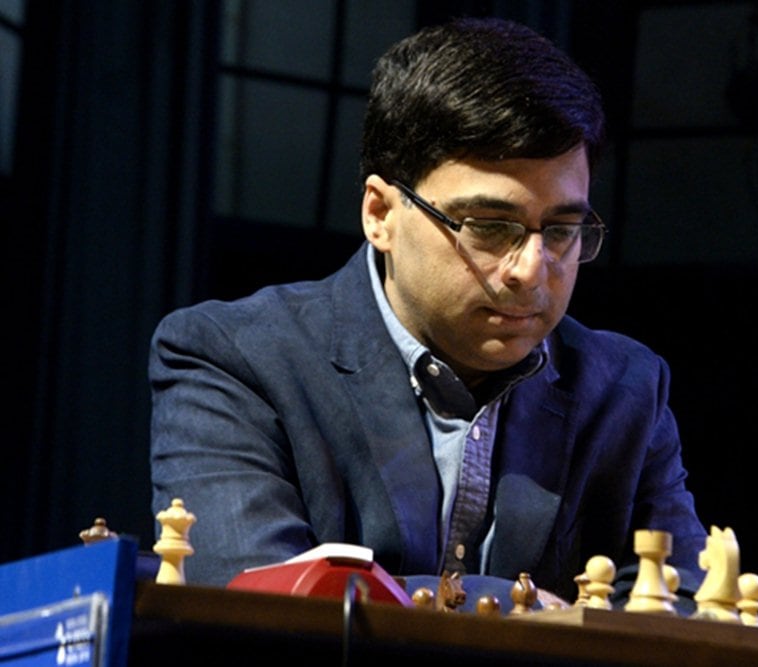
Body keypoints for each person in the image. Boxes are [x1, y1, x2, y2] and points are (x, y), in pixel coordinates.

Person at [149, 17, 707, 605]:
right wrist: (532, 611)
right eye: (490, 228)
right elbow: (262, 611)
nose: (531, 268)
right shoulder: (232, 359)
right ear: (380, 214)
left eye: (563, 230)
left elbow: (680, 612)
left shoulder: (624, 391)